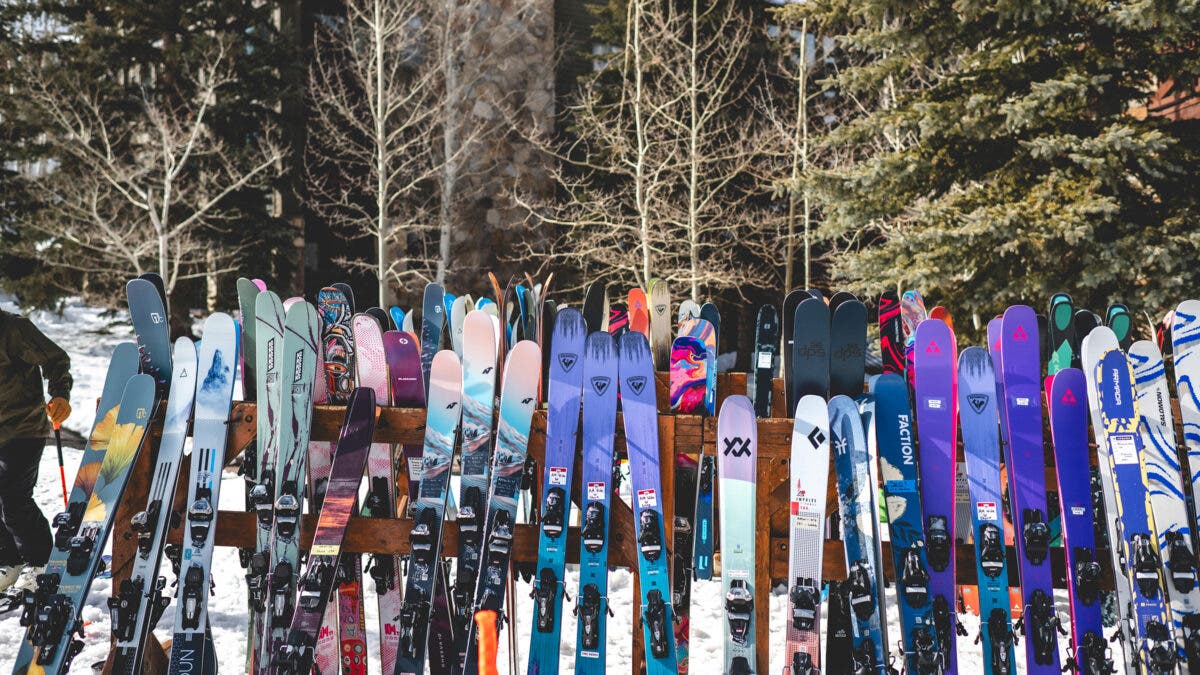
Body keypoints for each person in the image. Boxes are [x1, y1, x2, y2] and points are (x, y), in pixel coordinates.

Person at [0, 308, 72, 593]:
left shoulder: (13, 329)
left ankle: (41, 563)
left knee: (13, 497)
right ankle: (9, 561)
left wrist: (60, 394)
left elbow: (55, 359)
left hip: (23, 428)